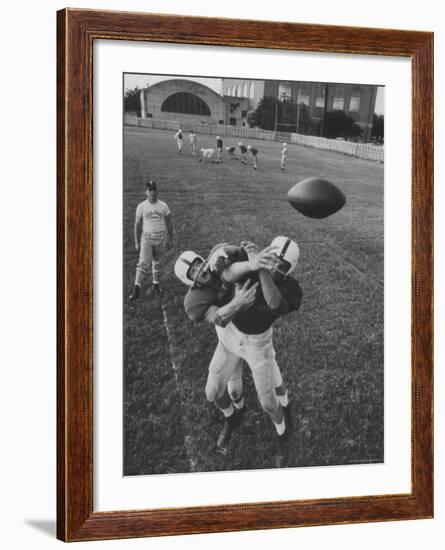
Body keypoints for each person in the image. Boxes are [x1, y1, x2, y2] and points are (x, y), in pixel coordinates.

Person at [174, 238, 302, 467]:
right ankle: (233, 417)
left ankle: (282, 434)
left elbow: (269, 300)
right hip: (229, 336)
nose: (274, 267)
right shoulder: (196, 299)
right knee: (213, 391)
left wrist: (257, 266)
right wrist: (247, 278)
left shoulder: (291, 289)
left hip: (257, 343)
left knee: (269, 403)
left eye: (280, 266)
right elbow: (224, 294)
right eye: (272, 260)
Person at [129, 181, 173, 300]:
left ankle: (156, 284)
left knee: (157, 263)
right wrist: (137, 242)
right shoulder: (141, 206)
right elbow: (137, 225)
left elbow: (169, 223)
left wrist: (170, 239)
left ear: (157, 191)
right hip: (147, 239)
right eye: (150, 190)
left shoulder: (163, 206)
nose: (152, 192)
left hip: (161, 239)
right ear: (146, 192)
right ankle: (136, 290)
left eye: (154, 189)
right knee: (143, 263)